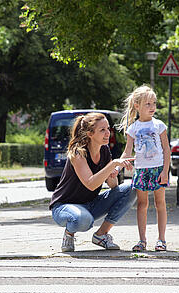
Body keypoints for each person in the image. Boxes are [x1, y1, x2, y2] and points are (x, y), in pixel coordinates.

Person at [49, 112, 136, 252]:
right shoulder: (78, 152)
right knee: (82, 220)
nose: (107, 133)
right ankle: (69, 234)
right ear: (90, 133)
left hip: (90, 205)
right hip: (64, 207)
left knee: (131, 188)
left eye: (108, 129)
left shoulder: (105, 150)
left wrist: (112, 174)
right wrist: (112, 165)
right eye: (102, 130)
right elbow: (91, 184)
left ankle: (101, 235)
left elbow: (114, 187)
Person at [119, 85, 171, 251]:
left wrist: (165, 171)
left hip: (157, 169)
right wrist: (118, 165)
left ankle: (161, 240)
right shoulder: (133, 128)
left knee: (160, 203)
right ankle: (142, 241)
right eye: (148, 104)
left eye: (154, 103)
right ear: (137, 106)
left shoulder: (159, 125)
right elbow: (127, 151)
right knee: (142, 205)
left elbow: (166, 149)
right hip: (141, 170)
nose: (152, 107)